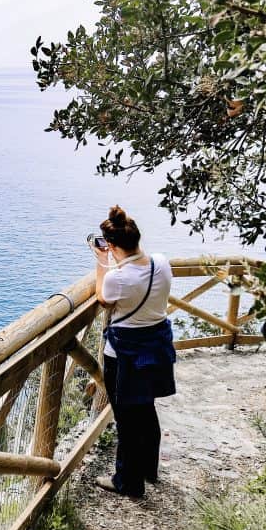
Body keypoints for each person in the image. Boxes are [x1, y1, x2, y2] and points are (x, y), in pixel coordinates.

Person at [90, 205, 176, 498]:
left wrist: (102, 263)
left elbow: (103, 297)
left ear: (111, 246)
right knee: (146, 410)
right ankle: (149, 469)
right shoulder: (161, 263)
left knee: (126, 419)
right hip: (156, 349)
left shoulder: (118, 277)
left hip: (124, 356)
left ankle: (128, 482)